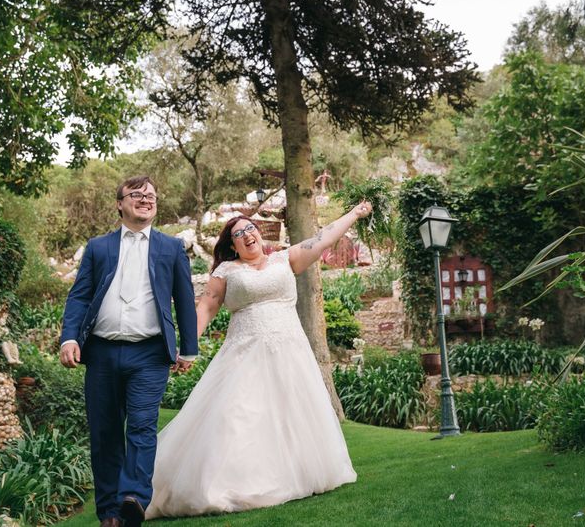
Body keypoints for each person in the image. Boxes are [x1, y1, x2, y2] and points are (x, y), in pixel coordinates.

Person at [146, 201, 372, 519]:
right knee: (237, 416)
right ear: (232, 245)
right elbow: (206, 309)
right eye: (239, 233)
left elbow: (323, 238)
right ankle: (225, 484)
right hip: (244, 353)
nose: (247, 234)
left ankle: (294, 475)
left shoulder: (286, 258)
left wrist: (354, 214)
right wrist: (189, 348)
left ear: (259, 235)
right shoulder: (226, 272)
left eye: (250, 228)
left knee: (291, 414)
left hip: (290, 352)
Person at [58, 176, 198, 527]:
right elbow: (79, 296)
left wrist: (189, 349)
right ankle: (109, 513)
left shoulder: (171, 248)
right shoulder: (99, 247)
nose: (145, 199)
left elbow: (184, 300)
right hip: (102, 352)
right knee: (105, 433)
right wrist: (69, 338)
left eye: (151, 194)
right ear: (119, 203)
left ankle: (133, 498)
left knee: (141, 426)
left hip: (149, 355)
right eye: (136, 194)